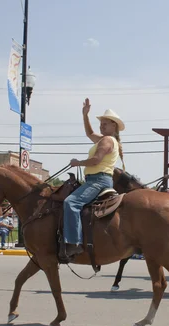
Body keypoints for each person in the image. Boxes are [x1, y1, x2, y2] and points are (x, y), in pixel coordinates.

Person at [61, 98, 124, 261]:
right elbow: (89, 133)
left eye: (106, 123)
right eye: (101, 122)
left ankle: (74, 243)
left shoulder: (107, 140)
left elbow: (96, 160)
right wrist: (85, 116)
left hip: (98, 180)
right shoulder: (106, 139)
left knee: (71, 203)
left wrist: (78, 163)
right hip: (98, 179)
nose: (102, 125)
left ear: (114, 126)